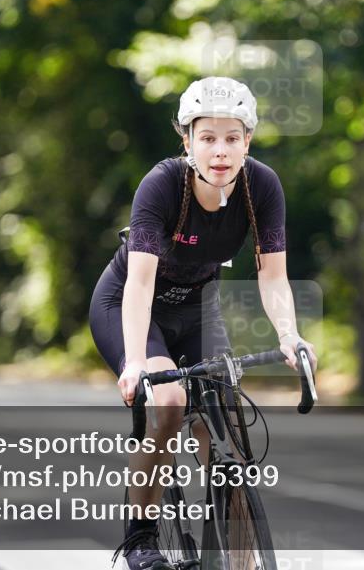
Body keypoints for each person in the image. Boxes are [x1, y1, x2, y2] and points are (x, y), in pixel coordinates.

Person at [90, 77, 317, 570]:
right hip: (130, 306)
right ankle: (141, 537)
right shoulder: (162, 185)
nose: (220, 150)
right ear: (187, 139)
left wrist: (288, 335)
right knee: (170, 404)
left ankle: (236, 557)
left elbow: (273, 277)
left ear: (247, 141)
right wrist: (134, 363)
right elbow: (140, 285)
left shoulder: (263, 186)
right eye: (207, 137)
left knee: (228, 424)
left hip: (196, 306)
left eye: (232, 138)